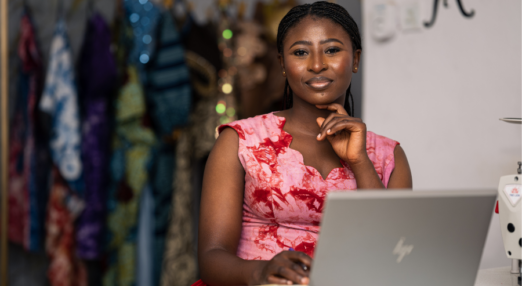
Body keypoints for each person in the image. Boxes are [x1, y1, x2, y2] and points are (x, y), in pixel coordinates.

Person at [195, 2, 412, 285]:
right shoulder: (239, 142)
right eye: (300, 52)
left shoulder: (389, 156)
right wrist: (260, 272)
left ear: (356, 59)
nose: (317, 64)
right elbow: (212, 258)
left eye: (332, 50)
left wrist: (360, 162)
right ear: (283, 64)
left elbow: (398, 257)